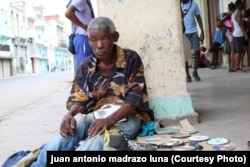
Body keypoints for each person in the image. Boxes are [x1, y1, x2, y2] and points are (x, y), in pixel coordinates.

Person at [30, 17, 154, 166]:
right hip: (98, 116)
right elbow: (79, 100)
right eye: (93, 40)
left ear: (115, 37)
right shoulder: (85, 65)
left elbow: (132, 101)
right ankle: (40, 163)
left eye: (105, 38)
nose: (99, 45)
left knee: (98, 138)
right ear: (88, 40)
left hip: (129, 116)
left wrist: (109, 121)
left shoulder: (131, 58)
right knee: (77, 123)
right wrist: (70, 114)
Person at [65, 0, 94, 72]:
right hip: (83, 37)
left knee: (88, 67)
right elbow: (68, 13)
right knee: (84, 68)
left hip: (84, 37)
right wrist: (84, 26)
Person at [181, 0, 204, 82]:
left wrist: (202, 31)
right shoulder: (178, 6)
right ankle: (187, 75)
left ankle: (195, 71)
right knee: (186, 55)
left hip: (193, 32)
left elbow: (198, 18)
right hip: (183, 33)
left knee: (197, 51)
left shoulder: (194, 5)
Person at [231, 0, 248, 72]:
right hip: (239, 34)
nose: (243, 6)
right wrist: (245, 33)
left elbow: (234, 25)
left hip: (235, 33)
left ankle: (236, 66)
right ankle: (237, 66)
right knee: (239, 51)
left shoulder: (233, 13)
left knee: (236, 51)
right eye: (242, 4)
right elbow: (240, 23)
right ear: (239, 5)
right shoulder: (239, 12)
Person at [219, 2, 236, 72]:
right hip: (230, 34)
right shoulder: (229, 15)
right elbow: (219, 23)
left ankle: (231, 66)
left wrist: (226, 28)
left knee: (230, 51)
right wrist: (227, 28)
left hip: (230, 34)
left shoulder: (230, 14)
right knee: (232, 50)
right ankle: (232, 66)